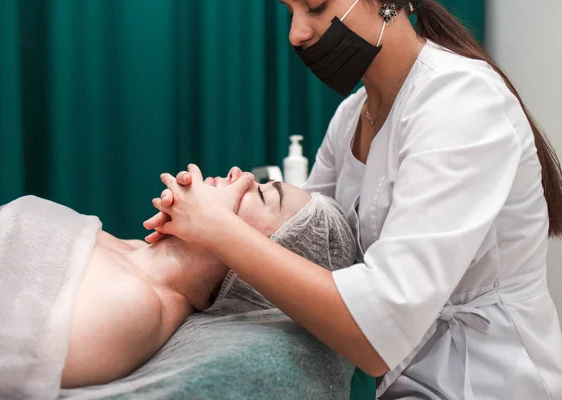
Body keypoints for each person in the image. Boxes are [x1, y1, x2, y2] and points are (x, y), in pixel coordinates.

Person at [146, 0, 562, 398]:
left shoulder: (460, 102)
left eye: (316, 6)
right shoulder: (351, 117)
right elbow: (299, 241)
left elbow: (376, 335)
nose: (296, 34)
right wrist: (203, 235)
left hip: (489, 379)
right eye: (289, 12)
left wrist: (219, 229)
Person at [0, 167, 356, 396]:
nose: (241, 175)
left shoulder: (131, 304)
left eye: (265, 195)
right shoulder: (126, 252)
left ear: (265, 259)